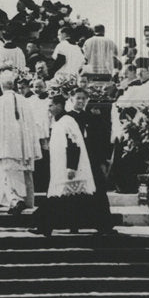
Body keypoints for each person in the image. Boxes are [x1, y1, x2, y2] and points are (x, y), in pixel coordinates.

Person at [32, 94, 101, 236]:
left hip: (69, 167)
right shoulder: (58, 122)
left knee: (61, 198)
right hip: (60, 167)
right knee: (69, 199)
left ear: (59, 105)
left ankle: (45, 227)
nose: (49, 108)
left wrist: (72, 167)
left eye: (51, 105)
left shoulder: (67, 121)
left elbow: (74, 144)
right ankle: (69, 226)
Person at [0, 70, 42, 215]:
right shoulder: (24, 100)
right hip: (23, 147)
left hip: (7, 147)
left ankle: (16, 201)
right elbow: (32, 125)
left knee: (7, 174)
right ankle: (23, 201)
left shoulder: (0, 102)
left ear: (1, 86)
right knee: (21, 173)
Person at [66, 87, 115, 233]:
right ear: (71, 99)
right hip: (74, 160)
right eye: (78, 98)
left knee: (97, 190)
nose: (80, 101)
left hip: (91, 159)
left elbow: (99, 140)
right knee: (75, 191)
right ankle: (73, 224)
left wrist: (101, 160)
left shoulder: (92, 117)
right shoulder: (67, 118)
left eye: (83, 98)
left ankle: (103, 225)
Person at [26, 78, 53, 193]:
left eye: (40, 87)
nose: (37, 89)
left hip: (45, 130)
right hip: (33, 131)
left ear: (45, 87)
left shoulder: (48, 100)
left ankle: (45, 183)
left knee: (45, 155)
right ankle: (36, 183)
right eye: (35, 87)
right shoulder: (29, 100)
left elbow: (50, 116)